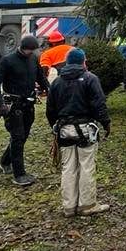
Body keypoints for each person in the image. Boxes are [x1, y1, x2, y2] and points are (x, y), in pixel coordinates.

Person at [46, 48, 111, 217]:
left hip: (64, 129)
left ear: (67, 63)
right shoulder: (90, 79)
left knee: (68, 167)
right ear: (83, 62)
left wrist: (54, 126)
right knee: (86, 166)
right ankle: (87, 204)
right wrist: (106, 123)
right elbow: (99, 104)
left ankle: (69, 206)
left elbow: (50, 109)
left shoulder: (57, 82)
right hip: (86, 129)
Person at [0, 34, 49, 186]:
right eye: (31, 50)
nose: (33, 53)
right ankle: (19, 174)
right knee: (18, 136)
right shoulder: (7, 61)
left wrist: (50, 89)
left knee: (23, 137)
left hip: (28, 104)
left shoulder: (33, 59)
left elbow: (40, 77)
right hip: (13, 105)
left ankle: (5, 161)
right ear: (24, 48)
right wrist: (0, 105)